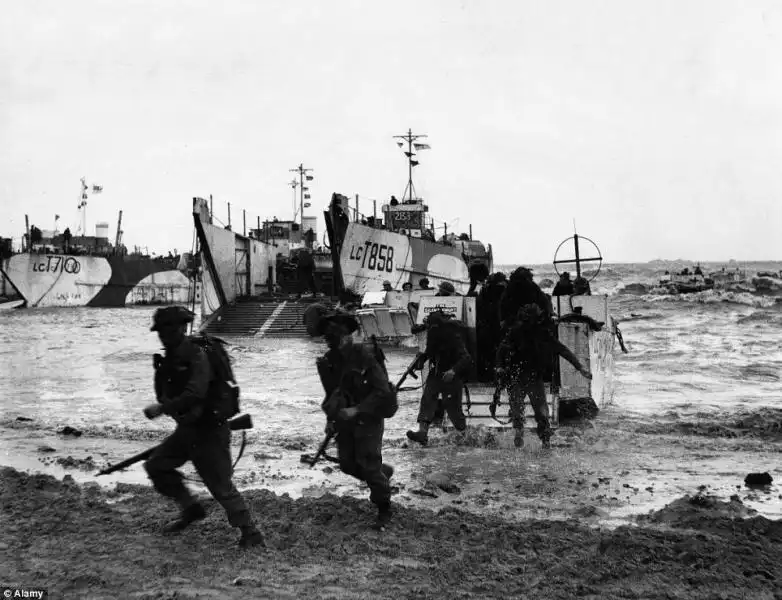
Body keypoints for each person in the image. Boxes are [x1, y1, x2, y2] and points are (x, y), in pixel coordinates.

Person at [142, 306, 264, 548]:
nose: (163, 335)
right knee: (157, 465)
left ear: (181, 328)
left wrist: (161, 408)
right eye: (161, 331)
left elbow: (196, 392)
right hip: (188, 429)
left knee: (220, 487)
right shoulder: (172, 357)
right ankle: (190, 508)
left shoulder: (196, 353)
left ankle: (251, 533)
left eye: (168, 329)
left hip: (209, 431)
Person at [315, 310, 397, 528]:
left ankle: (384, 509)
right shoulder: (328, 361)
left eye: (336, 338)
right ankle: (383, 476)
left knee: (369, 466)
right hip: (345, 418)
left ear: (347, 337)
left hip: (370, 416)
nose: (333, 343)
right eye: (328, 339)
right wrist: (330, 419)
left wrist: (358, 409)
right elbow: (331, 393)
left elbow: (382, 391)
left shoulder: (365, 356)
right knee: (347, 464)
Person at [495, 304, 592, 449]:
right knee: (525, 411)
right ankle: (524, 433)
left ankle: (543, 439)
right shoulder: (517, 332)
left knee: (539, 413)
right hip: (518, 376)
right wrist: (499, 367)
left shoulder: (541, 333)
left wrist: (579, 367)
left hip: (531, 377)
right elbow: (501, 350)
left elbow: (561, 349)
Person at [406, 311, 472, 446]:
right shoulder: (433, 334)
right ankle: (422, 433)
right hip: (436, 374)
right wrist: (421, 360)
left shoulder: (453, 335)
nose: (429, 329)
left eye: (430, 326)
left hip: (453, 376)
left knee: (454, 410)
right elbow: (430, 352)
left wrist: (453, 371)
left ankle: (466, 437)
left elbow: (466, 358)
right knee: (427, 400)